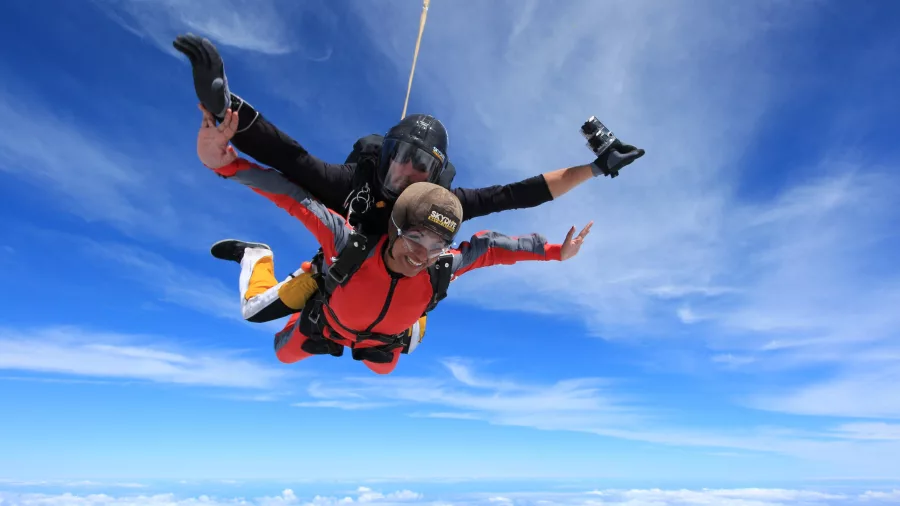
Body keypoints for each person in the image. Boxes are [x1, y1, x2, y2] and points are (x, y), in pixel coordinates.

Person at [175, 33, 640, 325]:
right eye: (400, 157)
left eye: (422, 167)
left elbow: (516, 195)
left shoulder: (441, 204)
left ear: (437, 177)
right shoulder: (351, 186)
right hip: (336, 277)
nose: (406, 175)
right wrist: (226, 113)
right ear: (385, 154)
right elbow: (291, 160)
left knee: (391, 346)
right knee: (257, 315)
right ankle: (258, 256)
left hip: (396, 290)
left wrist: (595, 169)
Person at [196, 108, 593, 374]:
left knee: (385, 365)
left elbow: (502, 224)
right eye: (415, 237)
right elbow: (290, 184)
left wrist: (561, 249)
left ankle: (397, 328)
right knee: (266, 329)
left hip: (383, 335)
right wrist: (227, 158)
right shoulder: (348, 232)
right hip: (334, 299)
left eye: (437, 244)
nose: (422, 253)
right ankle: (258, 255)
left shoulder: (441, 250)